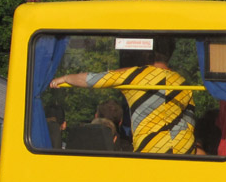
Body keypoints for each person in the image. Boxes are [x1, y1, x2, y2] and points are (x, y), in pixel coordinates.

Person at [50, 37, 195, 154]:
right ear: (170, 54)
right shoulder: (183, 82)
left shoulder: (135, 75)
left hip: (151, 150)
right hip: (184, 149)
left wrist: (65, 79)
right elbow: (190, 122)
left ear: (146, 53)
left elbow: (93, 79)